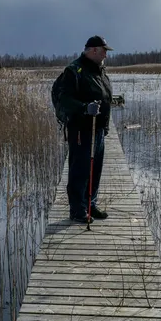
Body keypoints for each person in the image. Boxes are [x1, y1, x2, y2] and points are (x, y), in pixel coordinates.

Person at [59, 35, 114, 224]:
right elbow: (64, 99)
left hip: (98, 129)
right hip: (82, 130)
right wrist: (84, 108)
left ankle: (90, 204)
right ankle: (77, 210)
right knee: (80, 170)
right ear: (93, 50)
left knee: (95, 170)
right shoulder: (74, 70)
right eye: (104, 50)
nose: (106, 53)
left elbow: (105, 96)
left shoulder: (99, 71)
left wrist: (105, 126)